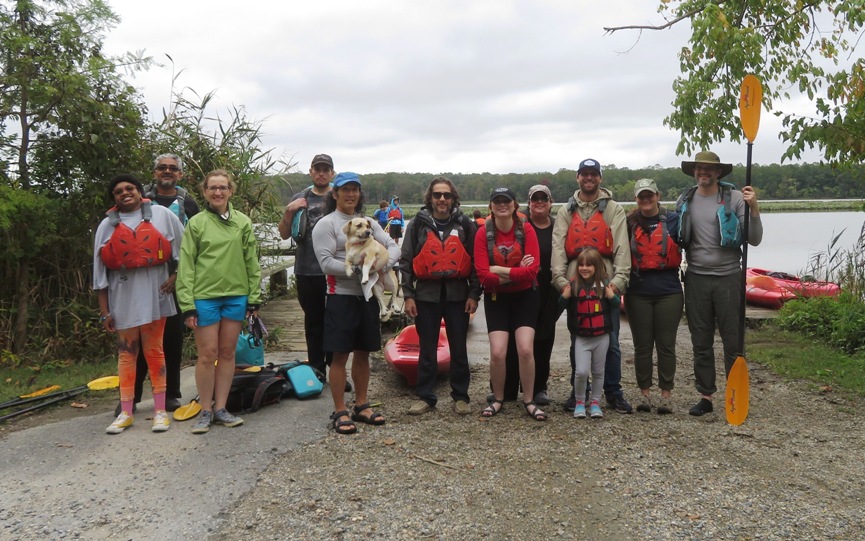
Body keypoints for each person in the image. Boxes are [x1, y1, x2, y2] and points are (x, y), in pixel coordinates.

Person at [93, 174, 184, 434]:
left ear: (139, 191)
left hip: (156, 295)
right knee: (126, 353)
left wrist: (176, 277)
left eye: (129, 188)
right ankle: (126, 411)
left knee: (155, 351)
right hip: (122, 297)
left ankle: (159, 411)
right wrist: (104, 311)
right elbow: (99, 272)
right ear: (114, 198)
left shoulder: (162, 215)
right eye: (118, 191)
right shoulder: (106, 226)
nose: (125, 193)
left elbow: (186, 249)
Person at [312, 172, 400, 435]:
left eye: (355, 190)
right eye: (345, 190)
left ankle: (361, 404)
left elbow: (393, 247)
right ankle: (340, 409)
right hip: (341, 295)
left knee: (364, 351)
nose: (351, 194)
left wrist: (380, 264)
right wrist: (357, 267)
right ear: (335, 194)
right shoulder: (326, 225)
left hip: (368, 296)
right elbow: (326, 262)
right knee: (339, 354)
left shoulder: (370, 223)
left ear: (359, 194)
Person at [676, 151, 762, 416]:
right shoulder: (685, 199)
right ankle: (706, 396)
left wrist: (755, 208)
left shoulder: (735, 198)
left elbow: (754, 239)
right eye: (700, 168)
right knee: (700, 341)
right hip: (696, 278)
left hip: (728, 278)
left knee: (732, 341)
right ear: (694, 172)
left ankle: (734, 393)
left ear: (718, 173)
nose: (704, 172)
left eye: (709, 169)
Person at [176, 170, 262, 434]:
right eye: (212, 188)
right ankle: (205, 409)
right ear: (205, 192)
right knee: (207, 354)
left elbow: (251, 261)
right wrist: (187, 303)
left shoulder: (242, 222)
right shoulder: (197, 223)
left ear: (230, 191)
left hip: (236, 295)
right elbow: (187, 264)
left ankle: (222, 408)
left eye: (222, 187)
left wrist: (254, 298)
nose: (217, 192)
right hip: (205, 297)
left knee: (227, 354)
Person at [119, 153, 200, 416]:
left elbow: (194, 243)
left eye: (172, 168)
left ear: (180, 174)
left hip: (175, 278)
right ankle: (131, 396)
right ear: (154, 172)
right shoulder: (138, 201)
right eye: (162, 168)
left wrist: (180, 276)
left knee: (171, 339)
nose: (167, 171)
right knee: (137, 340)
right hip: (138, 281)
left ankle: (170, 394)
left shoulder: (188, 203)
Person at [551, 158, 633, 414]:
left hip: (604, 285)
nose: (589, 178)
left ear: (599, 178)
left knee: (611, 341)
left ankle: (612, 392)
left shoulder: (613, 210)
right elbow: (558, 249)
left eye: (593, 174)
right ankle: (579, 393)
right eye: (584, 174)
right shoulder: (566, 211)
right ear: (578, 177)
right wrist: (562, 282)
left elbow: (621, 248)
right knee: (579, 339)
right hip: (576, 286)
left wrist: (617, 284)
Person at [400, 177, 480, 416]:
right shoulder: (417, 226)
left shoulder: (465, 224)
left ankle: (460, 396)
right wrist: (408, 295)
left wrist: (474, 294)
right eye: (437, 195)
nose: (442, 199)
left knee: (459, 348)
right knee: (427, 348)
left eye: (446, 195)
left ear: (453, 198)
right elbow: (405, 262)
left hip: (458, 295)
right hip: (426, 295)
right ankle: (425, 396)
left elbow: (477, 263)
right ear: (430, 198)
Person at [474, 187, 546, 421]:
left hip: (525, 297)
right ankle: (498, 399)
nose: (502, 205)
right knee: (497, 352)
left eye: (506, 201)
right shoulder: (483, 234)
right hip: (497, 299)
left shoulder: (526, 230)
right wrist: (517, 271)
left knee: (525, 349)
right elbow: (484, 276)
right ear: (491, 207)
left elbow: (532, 273)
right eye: (497, 201)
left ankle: (529, 399)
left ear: (515, 205)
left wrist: (501, 270)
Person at [277, 154, 339, 387]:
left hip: (334, 271)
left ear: (332, 173)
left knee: (335, 321)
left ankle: (337, 371)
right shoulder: (300, 198)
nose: (322, 173)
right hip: (306, 270)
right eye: (318, 169)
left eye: (326, 169)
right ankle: (316, 369)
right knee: (313, 322)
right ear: (311, 171)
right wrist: (289, 211)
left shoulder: (338, 196)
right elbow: (284, 234)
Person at [625, 179, 683, 415]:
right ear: (636, 199)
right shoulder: (628, 223)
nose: (646, 200)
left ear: (658, 195)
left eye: (650, 195)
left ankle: (666, 396)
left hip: (668, 290)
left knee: (666, 345)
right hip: (637, 291)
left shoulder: (674, 220)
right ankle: (645, 395)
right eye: (641, 196)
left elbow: (691, 242)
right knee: (642, 346)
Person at [497, 185, 559, 405]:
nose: (539, 202)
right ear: (528, 203)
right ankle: (509, 387)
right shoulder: (521, 227)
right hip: (522, 289)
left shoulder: (559, 227)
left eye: (544, 198)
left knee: (544, 338)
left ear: (551, 202)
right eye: (535, 199)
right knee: (517, 340)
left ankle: (539, 387)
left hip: (550, 289)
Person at [567, 248, 619, 419]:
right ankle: (581, 401)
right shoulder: (573, 286)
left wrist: (612, 297)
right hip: (582, 337)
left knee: (598, 371)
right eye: (581, 265)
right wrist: (563, 296)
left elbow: (616, 306)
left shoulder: (604, 286)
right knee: (581, 372)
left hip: (601, 337)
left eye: (589, 265)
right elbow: (560, 305)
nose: (584, 268)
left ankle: (596, 402)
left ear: (597, 267)